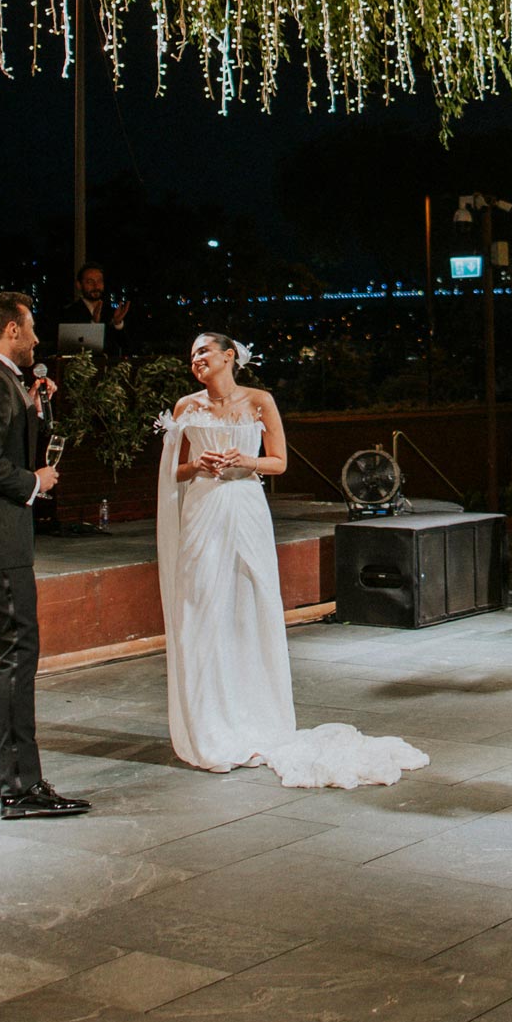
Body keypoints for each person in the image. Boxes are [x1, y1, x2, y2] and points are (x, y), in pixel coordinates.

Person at [157, 331, 426, 785]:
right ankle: (208, 726)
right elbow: (174, 471)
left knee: (250, 607)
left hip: (245, 506)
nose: (196, 359)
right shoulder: (186, 407)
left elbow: (279, 461)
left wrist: (248, 462)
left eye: (203, 351)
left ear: (228, 356)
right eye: (191, 354)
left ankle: (256, 716)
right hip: (202, 509)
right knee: (201, 609)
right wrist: (197, 465)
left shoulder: (260, 401)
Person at [0, 291, 89, 821]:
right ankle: (21, 786)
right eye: (29, 328)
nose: (35, 339)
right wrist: (35, 482)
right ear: (10, 330)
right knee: (18, 654)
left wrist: (35, 407)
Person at [70, 261, 130, 355]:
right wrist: (94, 325)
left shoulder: (112, 312)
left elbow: (127, 347)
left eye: (99, 281)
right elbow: (70, 347)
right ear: (79, 285)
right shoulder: (69, 313)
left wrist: (118, 324)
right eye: (90, 282)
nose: (96, 286)